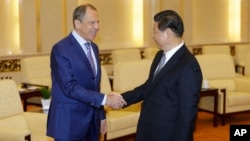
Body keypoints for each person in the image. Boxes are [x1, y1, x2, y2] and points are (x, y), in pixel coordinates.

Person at [117, 10, 203, 141]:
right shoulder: (159, 56)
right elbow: (149, 87)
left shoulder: (188, 65)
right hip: (147, 129)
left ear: (168, 33)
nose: (153, 36)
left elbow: (187, 115)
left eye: (155, 32)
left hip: (167, 135)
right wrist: (122, 98)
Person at [47, 4, 126, 141]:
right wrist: (106, 99)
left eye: (98, 22)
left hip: (92, 122)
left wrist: (101, 116)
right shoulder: (61, 49)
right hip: (69, 123)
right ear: (77, 23)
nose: (97, 27)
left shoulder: (94, 48)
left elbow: (95, 86)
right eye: (92, 23)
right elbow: (69, 87)